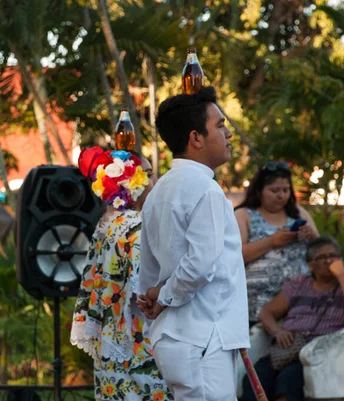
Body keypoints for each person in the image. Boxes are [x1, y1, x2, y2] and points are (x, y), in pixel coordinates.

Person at [137, 86, 250, 401]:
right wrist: (163, 298)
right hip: (202, 337)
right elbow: (200, 265)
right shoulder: (206, 188)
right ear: (196, 138)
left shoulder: (157, 191)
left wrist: (156, 296)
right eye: (220, 126)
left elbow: (148, 269)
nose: (228, 134)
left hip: (179, 337)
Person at [70, 147, 172, 401]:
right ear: (129, 182)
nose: (156, 181)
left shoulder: (108, 223)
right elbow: (145, 291)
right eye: (148, 174)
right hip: (139, 345)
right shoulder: (135, 227)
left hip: (112, 344)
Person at [242, 236, 344, 401]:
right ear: (311, 265)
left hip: (323, 355)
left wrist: (342, 275)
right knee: (255, 378)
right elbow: (266, 312)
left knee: (289, 381)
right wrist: (278, 331)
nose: (329, 261)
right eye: (322, 257)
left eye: (334, 256)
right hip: (287, 349)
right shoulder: (299, 284)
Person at [235, 163, 319, 325]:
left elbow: (322, 251)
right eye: (274, 190)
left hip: (300, 303)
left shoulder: (298, 213)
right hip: (255, 305)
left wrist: (313, 237)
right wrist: (271, 242)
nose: (281, 196)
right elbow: (234, 256)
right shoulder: (243, 215)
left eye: (285, 190)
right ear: (260, 191)